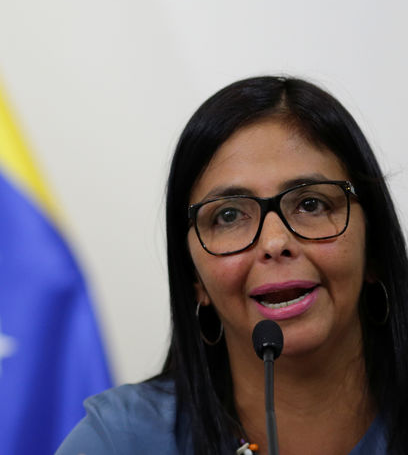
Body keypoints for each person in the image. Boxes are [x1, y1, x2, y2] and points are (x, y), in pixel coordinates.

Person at [56, 76, 408, 455]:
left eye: (311, 204)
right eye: (228, 215)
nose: (275, 243)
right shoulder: (121, 441)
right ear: (195, 278)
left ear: (372, 245)